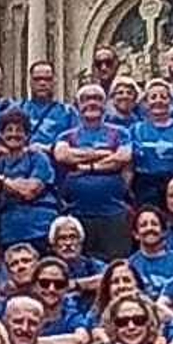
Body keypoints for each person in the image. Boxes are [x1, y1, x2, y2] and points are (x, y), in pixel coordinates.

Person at [53, 85, 134, 261]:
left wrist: (88, 167)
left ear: (105, 104)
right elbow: (62, 155)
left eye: (97, 98)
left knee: (116, 264)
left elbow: (123, 157)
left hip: (113, 214)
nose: (92, 103)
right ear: (77, 105)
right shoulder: (66, 136)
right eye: (86, 99)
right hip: (77, 213)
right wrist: (103, 154)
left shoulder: (120, 133)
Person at [0, 107, 58, 250]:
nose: (14, 134)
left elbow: (30, 190)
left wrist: (3, 181)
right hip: (8, 235)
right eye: (9, 130)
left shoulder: (38, 158)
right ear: (0, 134)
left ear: (27, 135)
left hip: (39, 231)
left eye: (19, 130)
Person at [129, 79, 173, 212]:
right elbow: (130, 163)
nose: (158, 101)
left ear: (171, 101)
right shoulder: (136, 129)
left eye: (163, 97)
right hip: (145, 184)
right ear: (146, 103)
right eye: (153, 97)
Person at [129, 205, 173, 305]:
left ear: (164, 231)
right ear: (135, 234)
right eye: (143, 225)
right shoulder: (130, 265)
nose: (149, 228)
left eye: (154, 224)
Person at [23, 61, 75, 150]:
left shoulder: (67, 112)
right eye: (37, 79)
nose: (42, 83)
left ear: (54, 82)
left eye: (47, 79)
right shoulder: (18, 109)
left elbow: (77, 141)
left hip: (55, 160)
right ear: (30, 82)